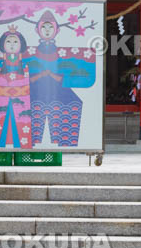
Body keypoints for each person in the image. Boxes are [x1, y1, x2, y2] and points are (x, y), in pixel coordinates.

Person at [26, 9, 97, 146]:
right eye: (44, 27)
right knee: (29, 105)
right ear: (37, 30)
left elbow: (74, 69)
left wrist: (54, 75)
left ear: (57, 30)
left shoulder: (63, 52)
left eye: (50, 27)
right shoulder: (30, 51)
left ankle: (65, 141)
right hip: (35, 89)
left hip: (59, 88)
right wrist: (40, 75)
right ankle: (30, 141)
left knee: (72, 103)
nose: (47, 30)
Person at [0, 27, 32, 149]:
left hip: (21, 97)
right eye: (8, 41)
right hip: (1, 97)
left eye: (15, 42)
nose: (12, 45)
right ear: (3, 44)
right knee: (1, 121)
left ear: (21, 45)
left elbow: (25, 85)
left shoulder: (24, 66)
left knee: (21, 122)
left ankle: (23, 147)